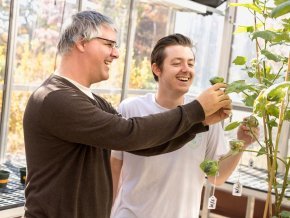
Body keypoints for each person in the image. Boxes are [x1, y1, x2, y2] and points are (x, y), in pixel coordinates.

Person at [22, 11, 232, 218]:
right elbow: (129, 134)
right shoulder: (55, 98)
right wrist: (196, 109)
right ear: (81, 42)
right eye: (109, 44)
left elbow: (144, 144)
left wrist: (199, 122)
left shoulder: (92, 100)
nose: (116, 53)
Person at [110, 34, 259, 218]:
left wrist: (241, 144)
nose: (185, 69)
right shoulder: (131, 108)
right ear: (156, 68)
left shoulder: (207, 114)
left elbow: (216, 177)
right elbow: (114, 168)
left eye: (190, 63)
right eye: (177, 63)